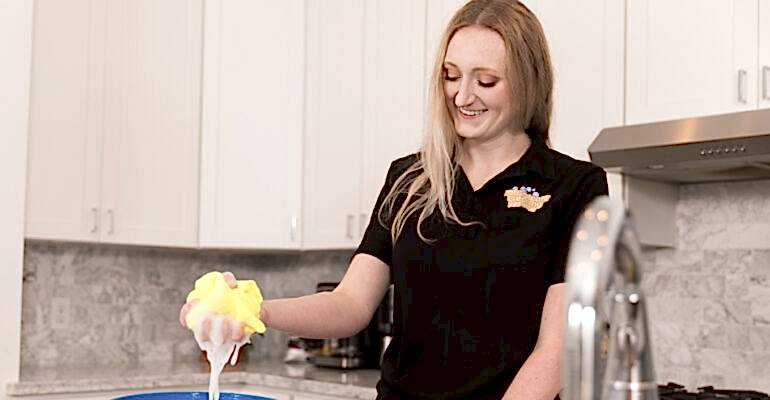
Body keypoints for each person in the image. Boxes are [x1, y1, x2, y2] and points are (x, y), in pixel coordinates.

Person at [181, 0, 608, 398]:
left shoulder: (575, 187)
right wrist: (255, 309)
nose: (462, 97)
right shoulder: (411, 179)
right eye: (451, 76)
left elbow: (557, 350)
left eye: (486, 81)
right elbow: (349, 304)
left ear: (529, 82)